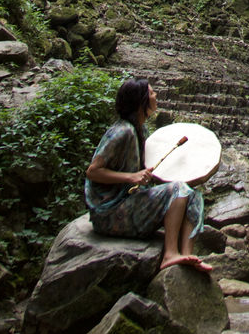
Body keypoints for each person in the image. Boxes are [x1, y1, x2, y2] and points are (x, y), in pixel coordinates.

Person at [85, 77, 211, 273]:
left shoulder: (140, 130)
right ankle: (170, 254)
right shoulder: (122, 132)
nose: (156, 95)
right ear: (140, 102)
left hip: (128, 203)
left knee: (193, 194)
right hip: (110, 214)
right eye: (151, 93)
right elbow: (93, 172)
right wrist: (131, 177)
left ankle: (187, 255)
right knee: (178, 189)